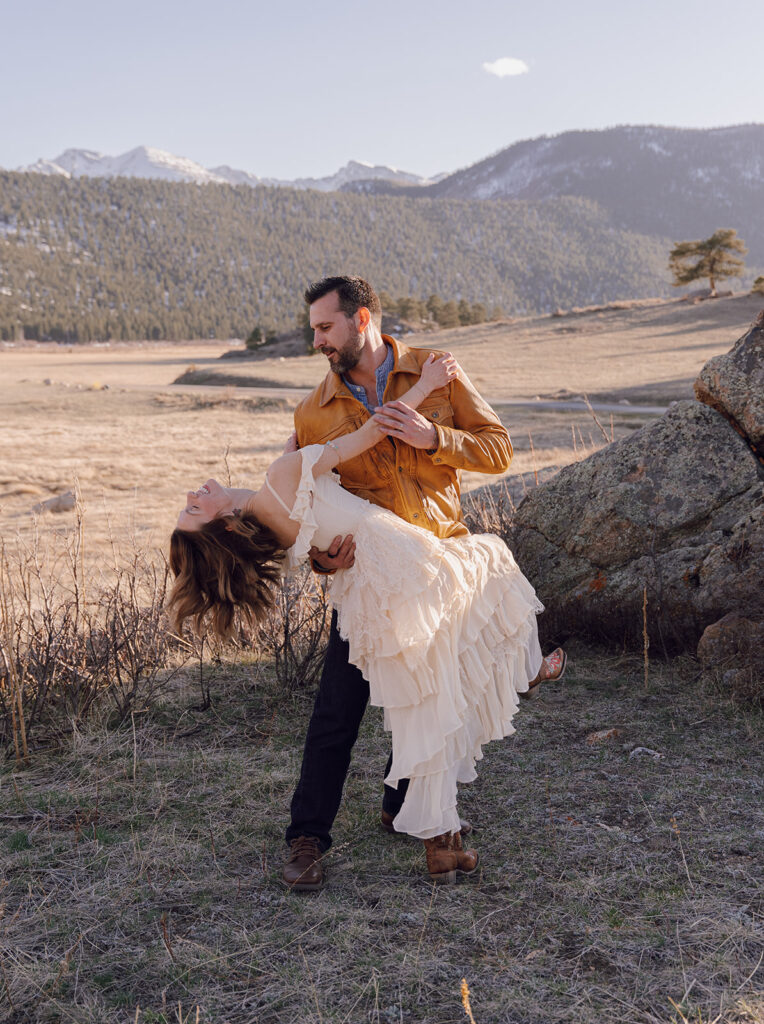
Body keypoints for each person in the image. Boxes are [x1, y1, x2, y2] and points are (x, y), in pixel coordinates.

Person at [169, 278, 566, 889]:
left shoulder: (436, 370)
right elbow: (306, 522)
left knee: (431, 683)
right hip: (378, 571)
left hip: (432, 549)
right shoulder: (311, 413)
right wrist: (326, 561)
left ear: (361, 319)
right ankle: (311, 837)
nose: (318, 342)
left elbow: (499, 450)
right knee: (348, 709)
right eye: (313, 332)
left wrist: (435, 435)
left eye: (325, 329)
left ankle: (409, 807)